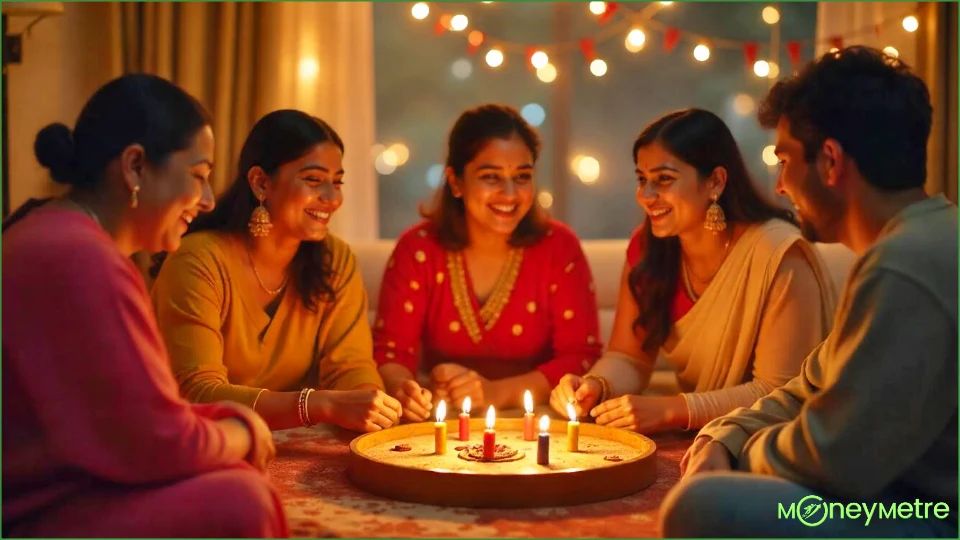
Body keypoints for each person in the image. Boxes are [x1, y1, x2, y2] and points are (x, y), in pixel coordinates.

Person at [661, 46, 957, 537]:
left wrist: (742, 457)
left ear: (831, 160)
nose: (779, 185)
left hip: (930, 513)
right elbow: (806, 387)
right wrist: (728, 435)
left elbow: (838, 457)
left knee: (701, 504)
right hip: (898, 493)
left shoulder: (908, 264)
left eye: (783, 160)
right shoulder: (908, 244)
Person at [2, 74, 286, 537]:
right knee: (240, 500)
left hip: (58, 489)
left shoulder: (57, 232)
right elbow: (155, 444)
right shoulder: (80, 256)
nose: (209, 199)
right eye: (198, 175)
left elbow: (134, 416)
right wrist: (245, 430)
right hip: (30, 514)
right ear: (135, 166)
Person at [550, 108, 837, 434]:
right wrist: (596, 386)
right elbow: (629, 358)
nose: (645, 196)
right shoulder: (649, 249)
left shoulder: (778, 256)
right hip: (698, 433)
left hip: (772, 440)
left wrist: (672, 410)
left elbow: (778, 394)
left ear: (715, 181)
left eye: (664, 180)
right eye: (642, 180)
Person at [151, 110, 401, 433]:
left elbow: (351, 367)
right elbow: (198, 393)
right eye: (313, 180)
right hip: (197, 442)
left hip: (294, 446)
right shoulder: (198, 261)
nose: (332, 198)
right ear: (260, 182)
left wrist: (371, 403)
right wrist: (317, 405)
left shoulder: (334, 260)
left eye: (337, 182)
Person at [375, 104, 602, 421]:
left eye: (522, 176)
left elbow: (582, 357)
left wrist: (495, 393)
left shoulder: (558, 249)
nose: (509, 194)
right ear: (455, 182)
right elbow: (391, 353)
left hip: (536, 422)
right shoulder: (418, 250)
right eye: (491, 177)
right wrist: (407, 390)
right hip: (442, 420)